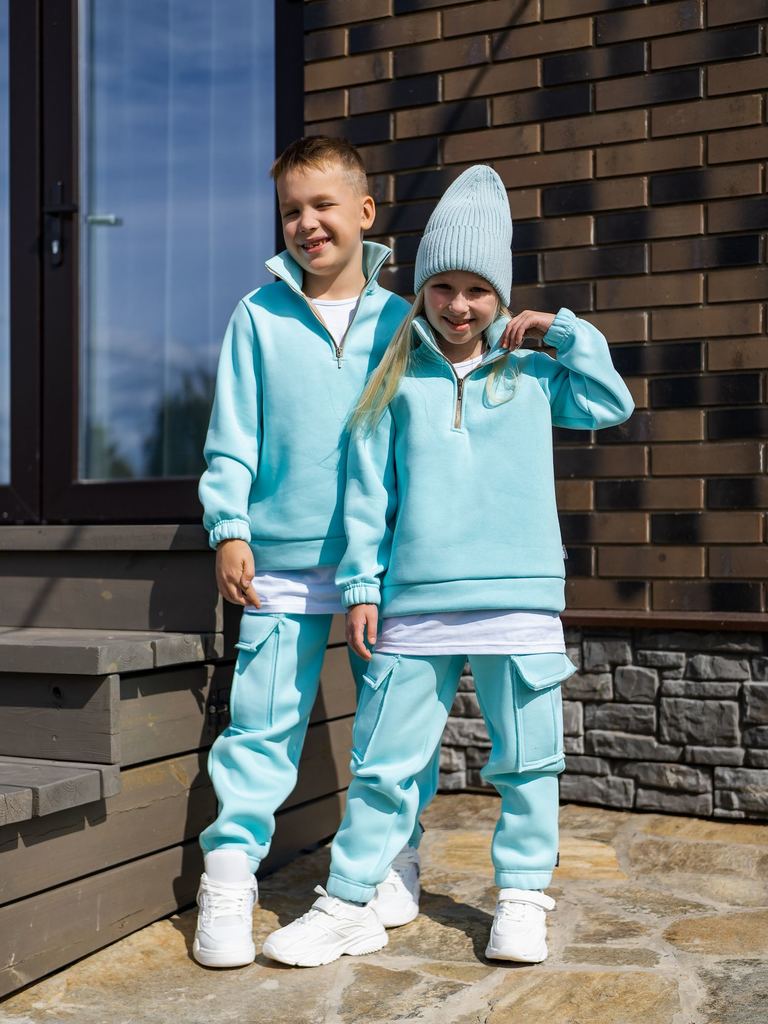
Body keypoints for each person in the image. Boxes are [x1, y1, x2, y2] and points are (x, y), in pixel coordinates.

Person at [262, 165, 634, 968]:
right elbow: (368, 496)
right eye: (442, 287)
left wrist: (560, 331)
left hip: (520, 600)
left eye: (477, 290)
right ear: (422, 289)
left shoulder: (534, 374)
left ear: (501, 296)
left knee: (528, 764)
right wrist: (361, 586)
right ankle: (349, 901)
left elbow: (611, 403)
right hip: (415, 602)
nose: (458, 305)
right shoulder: (394, 382)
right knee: (383, 767)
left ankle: (523, 899)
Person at [193, 136, 438, 969]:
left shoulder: (406, 321)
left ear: (364, 212)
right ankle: (230, 879)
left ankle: (393, 859)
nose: (307, 223)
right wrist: (230, 527)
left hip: (389, 564)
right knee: (260, 725)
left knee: (392, 727)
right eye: (291, 210)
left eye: (323, 205)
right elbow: (233, 434)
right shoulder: (257, 317)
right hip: (281, 561)